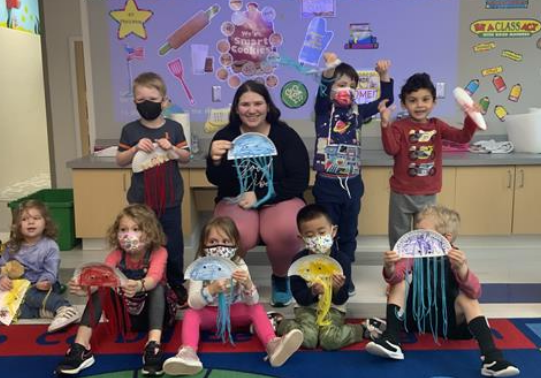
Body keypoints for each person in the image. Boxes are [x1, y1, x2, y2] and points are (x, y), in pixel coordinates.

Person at [365, 205, 520, 378]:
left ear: (445, 238)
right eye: (416, 231)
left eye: (423, 233)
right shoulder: (412, 254)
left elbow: (475, 292)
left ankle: (491, 358)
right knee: (398, 284)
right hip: (419, 317)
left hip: (450, 323)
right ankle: (392, 341)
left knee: (468, 298)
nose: (416, 237)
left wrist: (462, 269)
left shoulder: (455, 256)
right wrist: (389, 267)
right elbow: (394, 278)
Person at [206, 80, 309, 307]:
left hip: (280, 198)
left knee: (286, 229)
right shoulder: (226, 136)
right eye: (245, 104)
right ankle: (229, 278)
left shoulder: (285, 136)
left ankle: (282, 278)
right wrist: (214, 160)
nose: (251, 110)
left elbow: (300, 179)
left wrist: (261, 194)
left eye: (257, 103)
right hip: (236, 199)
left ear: (268, 106)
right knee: (235, 232)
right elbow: (215, 179)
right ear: (236, 108)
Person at [163, 217, 304, 375]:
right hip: (209, 315)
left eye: (225, 241)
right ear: (204, 245)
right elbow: (193, 303)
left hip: (235, 312)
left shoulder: (239, 264)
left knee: (256, 309)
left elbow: (253, 301)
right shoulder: (200, 267)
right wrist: (211, 289)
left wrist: (248, 285)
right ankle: (188, 353)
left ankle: (273, 345)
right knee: (190, 314)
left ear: (234, 244)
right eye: (213, 241)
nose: (219, 247)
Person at [313, 52, 394, 295]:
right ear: (330, 89)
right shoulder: (323, 109)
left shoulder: (359, 112)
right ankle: (325, 275)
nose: (346, 89)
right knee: (326, 236)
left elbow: (385, 102)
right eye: (340, 84)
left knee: (348, 234)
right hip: (326, 186)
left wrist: (383, 75)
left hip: (352, 186)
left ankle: (345, 277)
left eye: (351, 85)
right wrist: (330, 68)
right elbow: (325, 84)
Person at [56, 204, 169, 376]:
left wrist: (139, 285)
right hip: (124, 317)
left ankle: (153, 346)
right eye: (123, 229)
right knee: (103, 287)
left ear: (150, 232)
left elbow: (154, 277)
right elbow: (101, 278)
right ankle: (81, 346)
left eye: (136, 229)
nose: (128, 234)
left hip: (154, 314)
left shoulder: (159, 252)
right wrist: (85, 288)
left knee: (158, 288)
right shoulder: (116, 255)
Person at [379, 72, 477, 249]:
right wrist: (385, 125)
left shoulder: (437, 125)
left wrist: (471, 117)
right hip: (401, 192)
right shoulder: (399, 126)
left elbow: (462, 137)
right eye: (413, 100)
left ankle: (422, 268)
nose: (419, 105)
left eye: (425, 99)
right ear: (404, 103)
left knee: (426, 236)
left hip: (428, 193)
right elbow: (391, 149)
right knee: (398, 235)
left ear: (434, 102)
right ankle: (398, 270)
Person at [116, 72, 191, 304]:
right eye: (141, 100)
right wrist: (135, 148)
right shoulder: (130, 130)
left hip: (170, 199)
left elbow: (186, 157)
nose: (147, 104)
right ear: (135, 103)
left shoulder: (174, 127)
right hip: (140, 202)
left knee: (173, 244)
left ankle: (176, 284)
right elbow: (120, 160)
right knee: (141, 242)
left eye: (152, 98)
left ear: (164, 101)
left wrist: (172, 150)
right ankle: (142, 280)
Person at [277, 204, 371, 350]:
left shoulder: (342, 261)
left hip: (333, 308)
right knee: (308, 339)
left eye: (321, 232)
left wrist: (336, 288)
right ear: (301, 238)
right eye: (310, 236)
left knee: (329, 340)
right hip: (306, 308)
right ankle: (279, 324)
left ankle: (363, 329)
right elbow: (299, 297)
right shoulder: (298, 262)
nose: (317, 239)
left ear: (333, 231)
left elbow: (341, 299)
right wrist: (313, 292)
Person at [0, 199, 79, 333]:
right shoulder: (12, 246)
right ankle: (45, 311)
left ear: (45, 223)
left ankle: (65, 308)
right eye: (25, 219)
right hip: (19, 289)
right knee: (6, 311)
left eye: (36, 218)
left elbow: (51, 271)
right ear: (17, 225)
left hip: (44, 286)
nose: (31, 222)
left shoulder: (50, 246)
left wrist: (44, 281)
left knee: (32, 294)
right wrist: (0, 278)